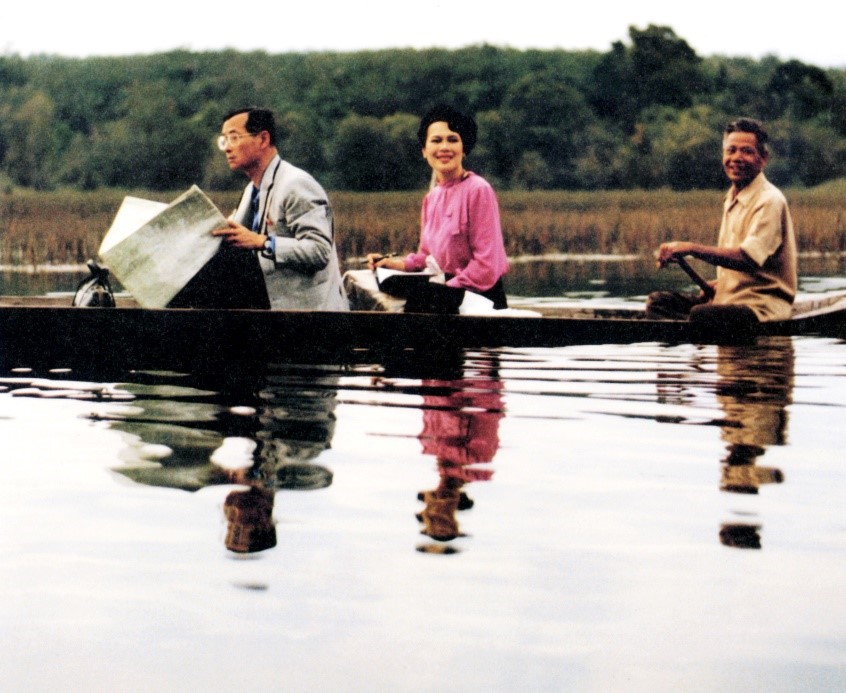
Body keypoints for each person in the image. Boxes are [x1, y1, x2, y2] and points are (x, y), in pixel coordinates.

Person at [646, 117, 797, 323]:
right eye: (731, 150)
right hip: (728, 300)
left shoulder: (770, 200)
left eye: (747, 151)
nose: (736, 157)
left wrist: (691, 248)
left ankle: (694, 341)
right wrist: (722, 283)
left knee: (701, 315)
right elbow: (747, 270)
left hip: (761, 308)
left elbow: (748, 259)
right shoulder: (732, 197)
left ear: (763, 158)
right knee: (658, 303)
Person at [368, 105, 509, 309]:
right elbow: (425, 257)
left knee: (420, 298)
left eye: (452, 140)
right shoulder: (431, 197)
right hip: (447, 290)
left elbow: (486, 266)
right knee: (378, 282)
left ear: (464, 148)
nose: (444, 147)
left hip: (479, 296)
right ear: (425, 151)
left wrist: (445, 285)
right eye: (436, 140)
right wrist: (392, 263)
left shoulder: (479, 190)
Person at [213, 107, 348, 311]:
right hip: (276, 312)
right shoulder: (252, 190)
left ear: (263, 139)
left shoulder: (295, 184)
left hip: (311, 316)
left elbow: (320, 251)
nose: (227, 148)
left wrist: (263, 242)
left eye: (234, 138)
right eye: (224, 140)